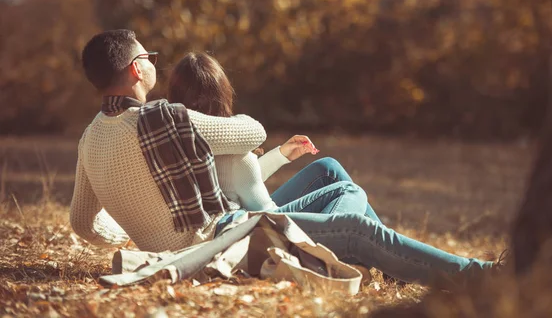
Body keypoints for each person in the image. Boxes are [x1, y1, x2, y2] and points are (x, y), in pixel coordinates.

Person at [70, 30, 499, 289]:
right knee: (354, 226)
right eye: (148, 57)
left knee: (334, 184)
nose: (152, 64)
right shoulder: (162, 118)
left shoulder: (90, 139)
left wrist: (140, 233)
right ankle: (482, 278)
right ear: (133, 69)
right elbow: (252, 132)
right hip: (224, 240)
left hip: (201, 242)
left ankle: (395, 267)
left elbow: (82, 224)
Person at [167, 52, 381, 221]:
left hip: (242, 219)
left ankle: (380, 247)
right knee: (347, 191)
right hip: (262, 229)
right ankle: (370, 245)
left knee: (328, 168)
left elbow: (235, 181)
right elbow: (270, 215)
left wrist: (280, 155)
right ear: (222, 95)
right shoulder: (230, 146)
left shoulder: (170, 138)